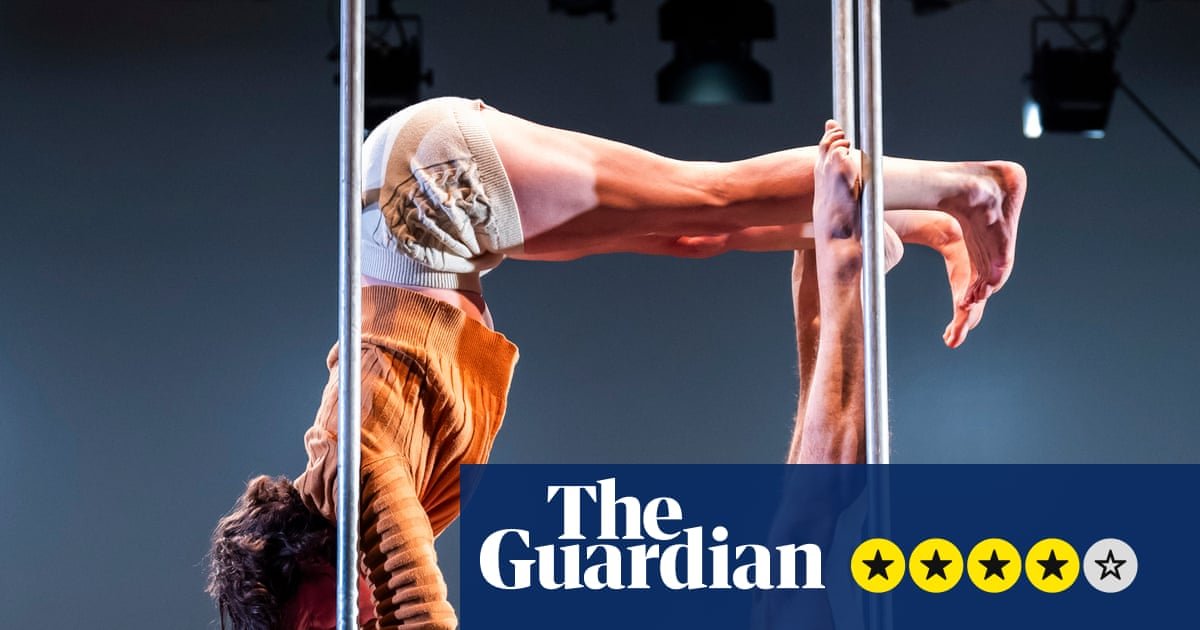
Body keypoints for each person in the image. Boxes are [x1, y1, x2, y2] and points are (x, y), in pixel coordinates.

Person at [206, 97, 1027, 629]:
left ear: (301, 569)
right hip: (428, 214)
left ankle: (970, 187)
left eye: (321, 625)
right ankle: (914, 220)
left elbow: (418, 602)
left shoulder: (353, 478)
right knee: (695, 233)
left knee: (707, 196)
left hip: (422, 190)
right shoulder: (354, 530)